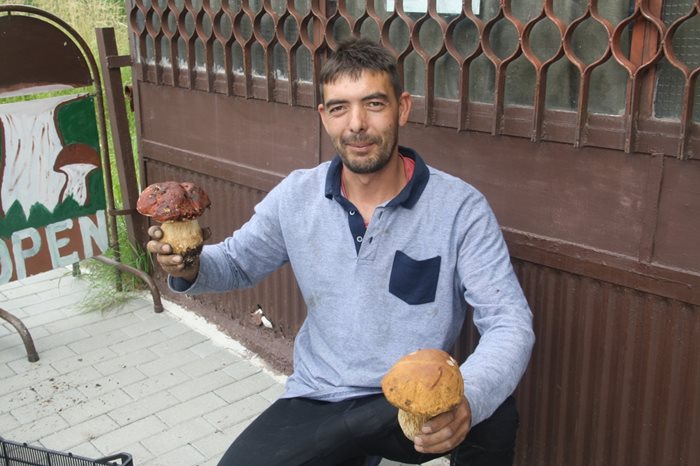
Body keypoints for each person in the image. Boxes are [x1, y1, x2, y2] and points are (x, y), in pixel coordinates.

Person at [147, 37, 535, 466]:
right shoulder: (297, 195)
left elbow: (509, 323)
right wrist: (190, 263)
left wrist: (470, 401)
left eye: (373, 104)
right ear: (324, 117)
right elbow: (237, 263)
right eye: (339, 108)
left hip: (409, 405)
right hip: (322, 398)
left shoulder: (459, 209)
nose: (356, 124)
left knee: (495, 413)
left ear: (402, 108)